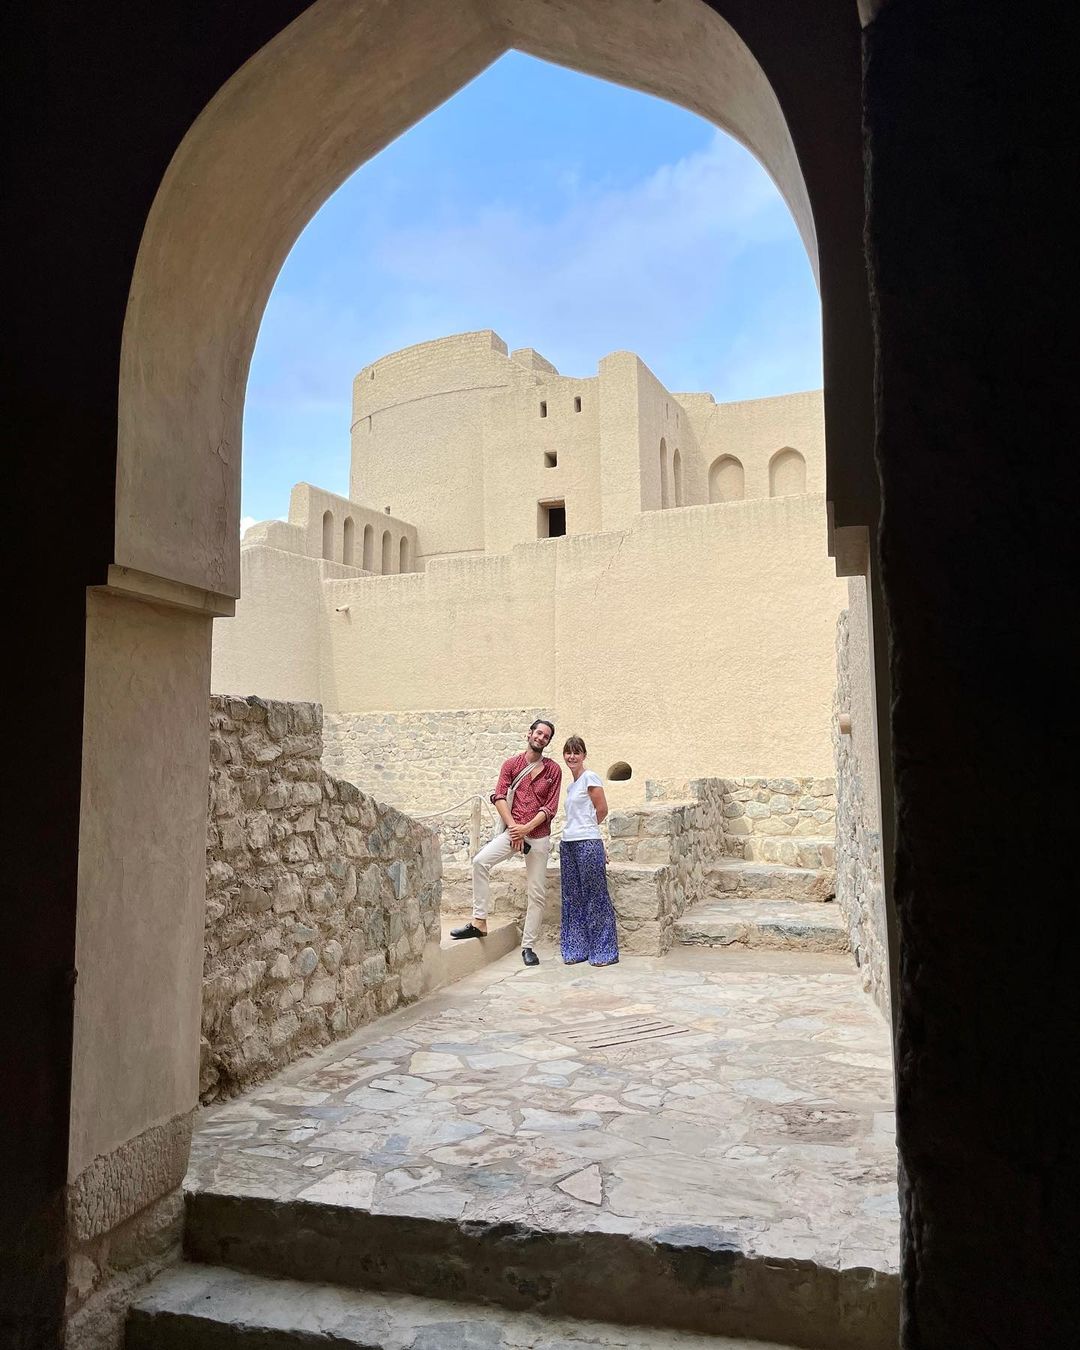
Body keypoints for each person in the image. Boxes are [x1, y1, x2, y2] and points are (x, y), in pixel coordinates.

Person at [450, 718, 562, 966]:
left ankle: (528, 946)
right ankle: (479, 922)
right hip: (513, 832)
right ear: (529, 734)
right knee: (480, 862)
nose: (541, 738)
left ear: (548, 742)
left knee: (537, 893)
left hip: (538, 835)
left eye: (546, 736)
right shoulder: (511, 764)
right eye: (538, 733)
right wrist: (514, 829)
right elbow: (499, 796)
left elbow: (550, 807)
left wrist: (526, 829)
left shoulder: (553, 770)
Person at [559, 735, 619, 967]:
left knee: (595, 897)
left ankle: (604, 951)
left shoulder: (589, 777)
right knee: (572, 898)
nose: (572, 756)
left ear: (584, 755)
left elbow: (602, 809)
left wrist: (592, 835)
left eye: (577, 752)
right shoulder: (571, 786)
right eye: (568, 752)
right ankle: (577, 948)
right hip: (568, 843)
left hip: (587, 842)